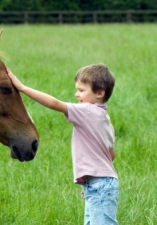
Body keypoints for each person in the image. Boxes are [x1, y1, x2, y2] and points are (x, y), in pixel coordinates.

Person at [7, 64, 119, 225]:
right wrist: (90, 182)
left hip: (100, 185)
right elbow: (111, 154)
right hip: (101, 183)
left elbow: (54, 104)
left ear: (100, 93)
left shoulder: (87, 111)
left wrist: (22, 87)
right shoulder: (105, 119)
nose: (76, 94)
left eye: (81, 90)